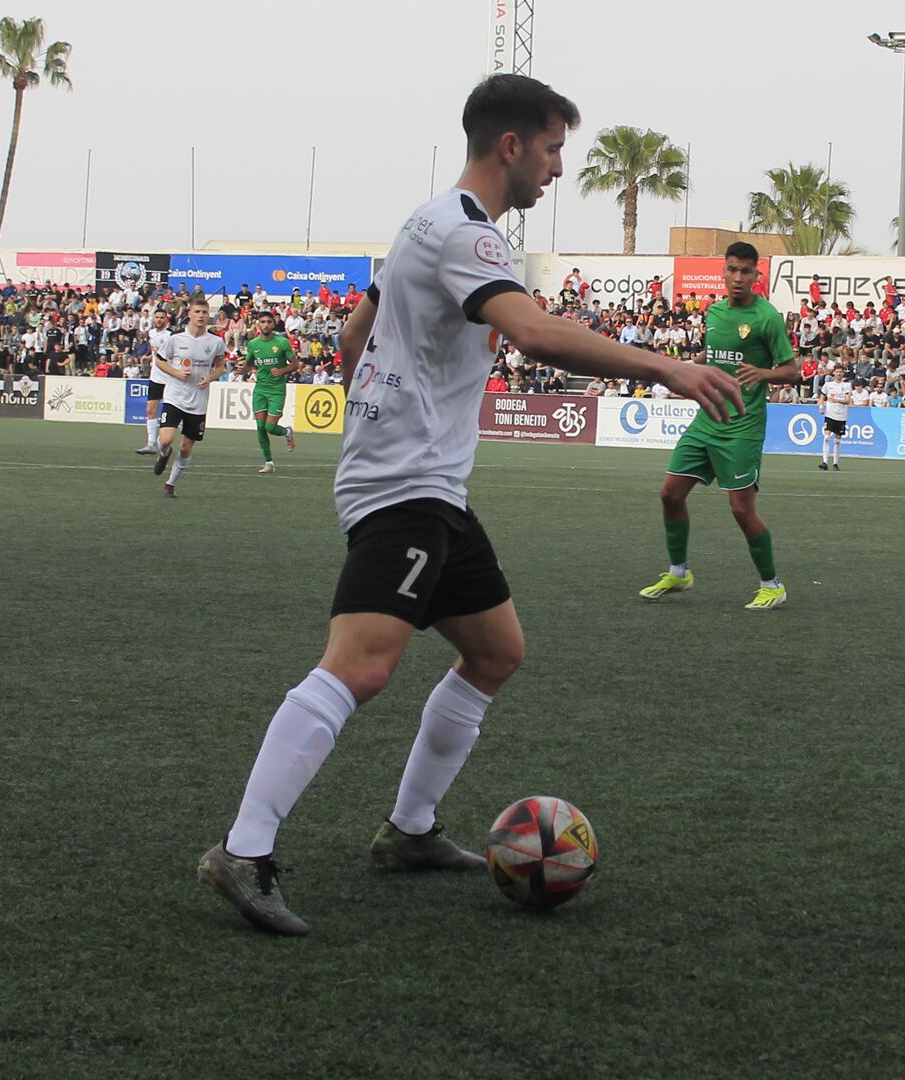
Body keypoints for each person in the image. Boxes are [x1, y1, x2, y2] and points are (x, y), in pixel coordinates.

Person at [197, 74, 742, 937]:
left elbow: (353, 338)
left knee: (496, 652)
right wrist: (664, 366)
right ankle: (243, 847)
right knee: (363, 664)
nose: (560, 169)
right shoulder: (467, 235)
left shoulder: (425, 219)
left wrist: (381, 410)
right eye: (556, 148)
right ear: (512, 145)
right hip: (405, 485)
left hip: (426, 482)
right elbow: (530, 332)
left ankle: (410, 832)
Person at [641, 241, 800, 611]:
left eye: (746, 272)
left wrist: (763, 373)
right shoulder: (713, 313)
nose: (738, 278)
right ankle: (679, 572)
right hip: (706, 420)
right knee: (669, 494)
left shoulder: (767, 318)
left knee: (742, 510)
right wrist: (681, 369)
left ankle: (772, 584)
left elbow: (791, 370)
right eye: (732, 270)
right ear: (723, 272)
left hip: (742, 426)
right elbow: (712, 355)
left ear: (756, 276)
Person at [150, 298, 225, 497]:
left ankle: (170, 485)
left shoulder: (216, 341)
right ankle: (163, 454)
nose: (201, 316)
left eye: (204, 312)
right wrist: (175, 373)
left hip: (198, 401)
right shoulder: (175, 339)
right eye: (197, 312)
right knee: (166, 440)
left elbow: (221, 367)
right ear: (189, 314)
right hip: (175, 396)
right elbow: (160, 362)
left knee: (185, 448)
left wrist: (209, 378)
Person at [246, 311, 301, 473]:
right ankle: (269, 462)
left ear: (273, 324)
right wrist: (245, 368)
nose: (265, 325)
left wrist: (283, 370)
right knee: (260, 427)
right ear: (258, 324)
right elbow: (249, 363)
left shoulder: (282, 342)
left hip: (277, 390)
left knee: (270, 427)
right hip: (260, 389)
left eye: (269, 322)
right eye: (262, 322)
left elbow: (295, 364)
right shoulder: (253, 344)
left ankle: (287, 432)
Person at [136, 310, 173, 454]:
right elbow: (155, 355)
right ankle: (151, 443)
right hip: (155, 378)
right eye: (157, 317)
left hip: (170, 378)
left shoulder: (170, 335)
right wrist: (148, 358)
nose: (158, 320)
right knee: (150, 410)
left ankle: (162, 441)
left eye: (161, 318)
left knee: (168, 413)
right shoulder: (151, 333)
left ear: (166, 320)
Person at [818, 364, 851, 471]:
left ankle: (835, 463)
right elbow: (822, 396)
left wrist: (836, 400)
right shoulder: (828, 385)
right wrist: (821, 406)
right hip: (830, 414)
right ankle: (824, 462)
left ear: (843, 373)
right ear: (834, 373)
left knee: (837, 441)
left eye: (840, 372)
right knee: (827, 437)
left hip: (841, 415)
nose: (839, 373)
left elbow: (847, 400)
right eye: (837, 371)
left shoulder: (847, 385)